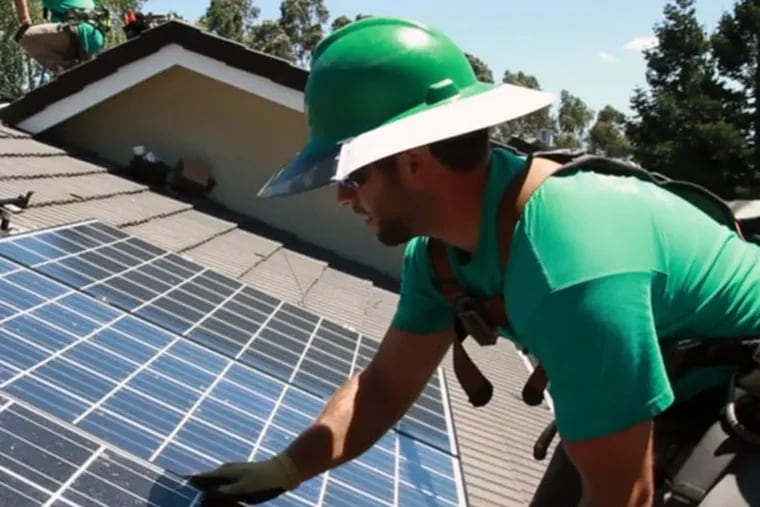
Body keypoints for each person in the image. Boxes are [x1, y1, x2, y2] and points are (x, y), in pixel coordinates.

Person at [187, 16, 760, 507]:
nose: (343, 197)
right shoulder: (441, 256)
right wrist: (288, 468)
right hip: (665, 387)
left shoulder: (571, 271)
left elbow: (624, 497)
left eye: (354, 176)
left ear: (413, 162)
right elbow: (384, 387)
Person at [12, 0, 109, 73]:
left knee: (25, 36)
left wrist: (25, 21)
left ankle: (67, 70)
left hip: (79, 30)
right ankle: (81, 69)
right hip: (97, 37)